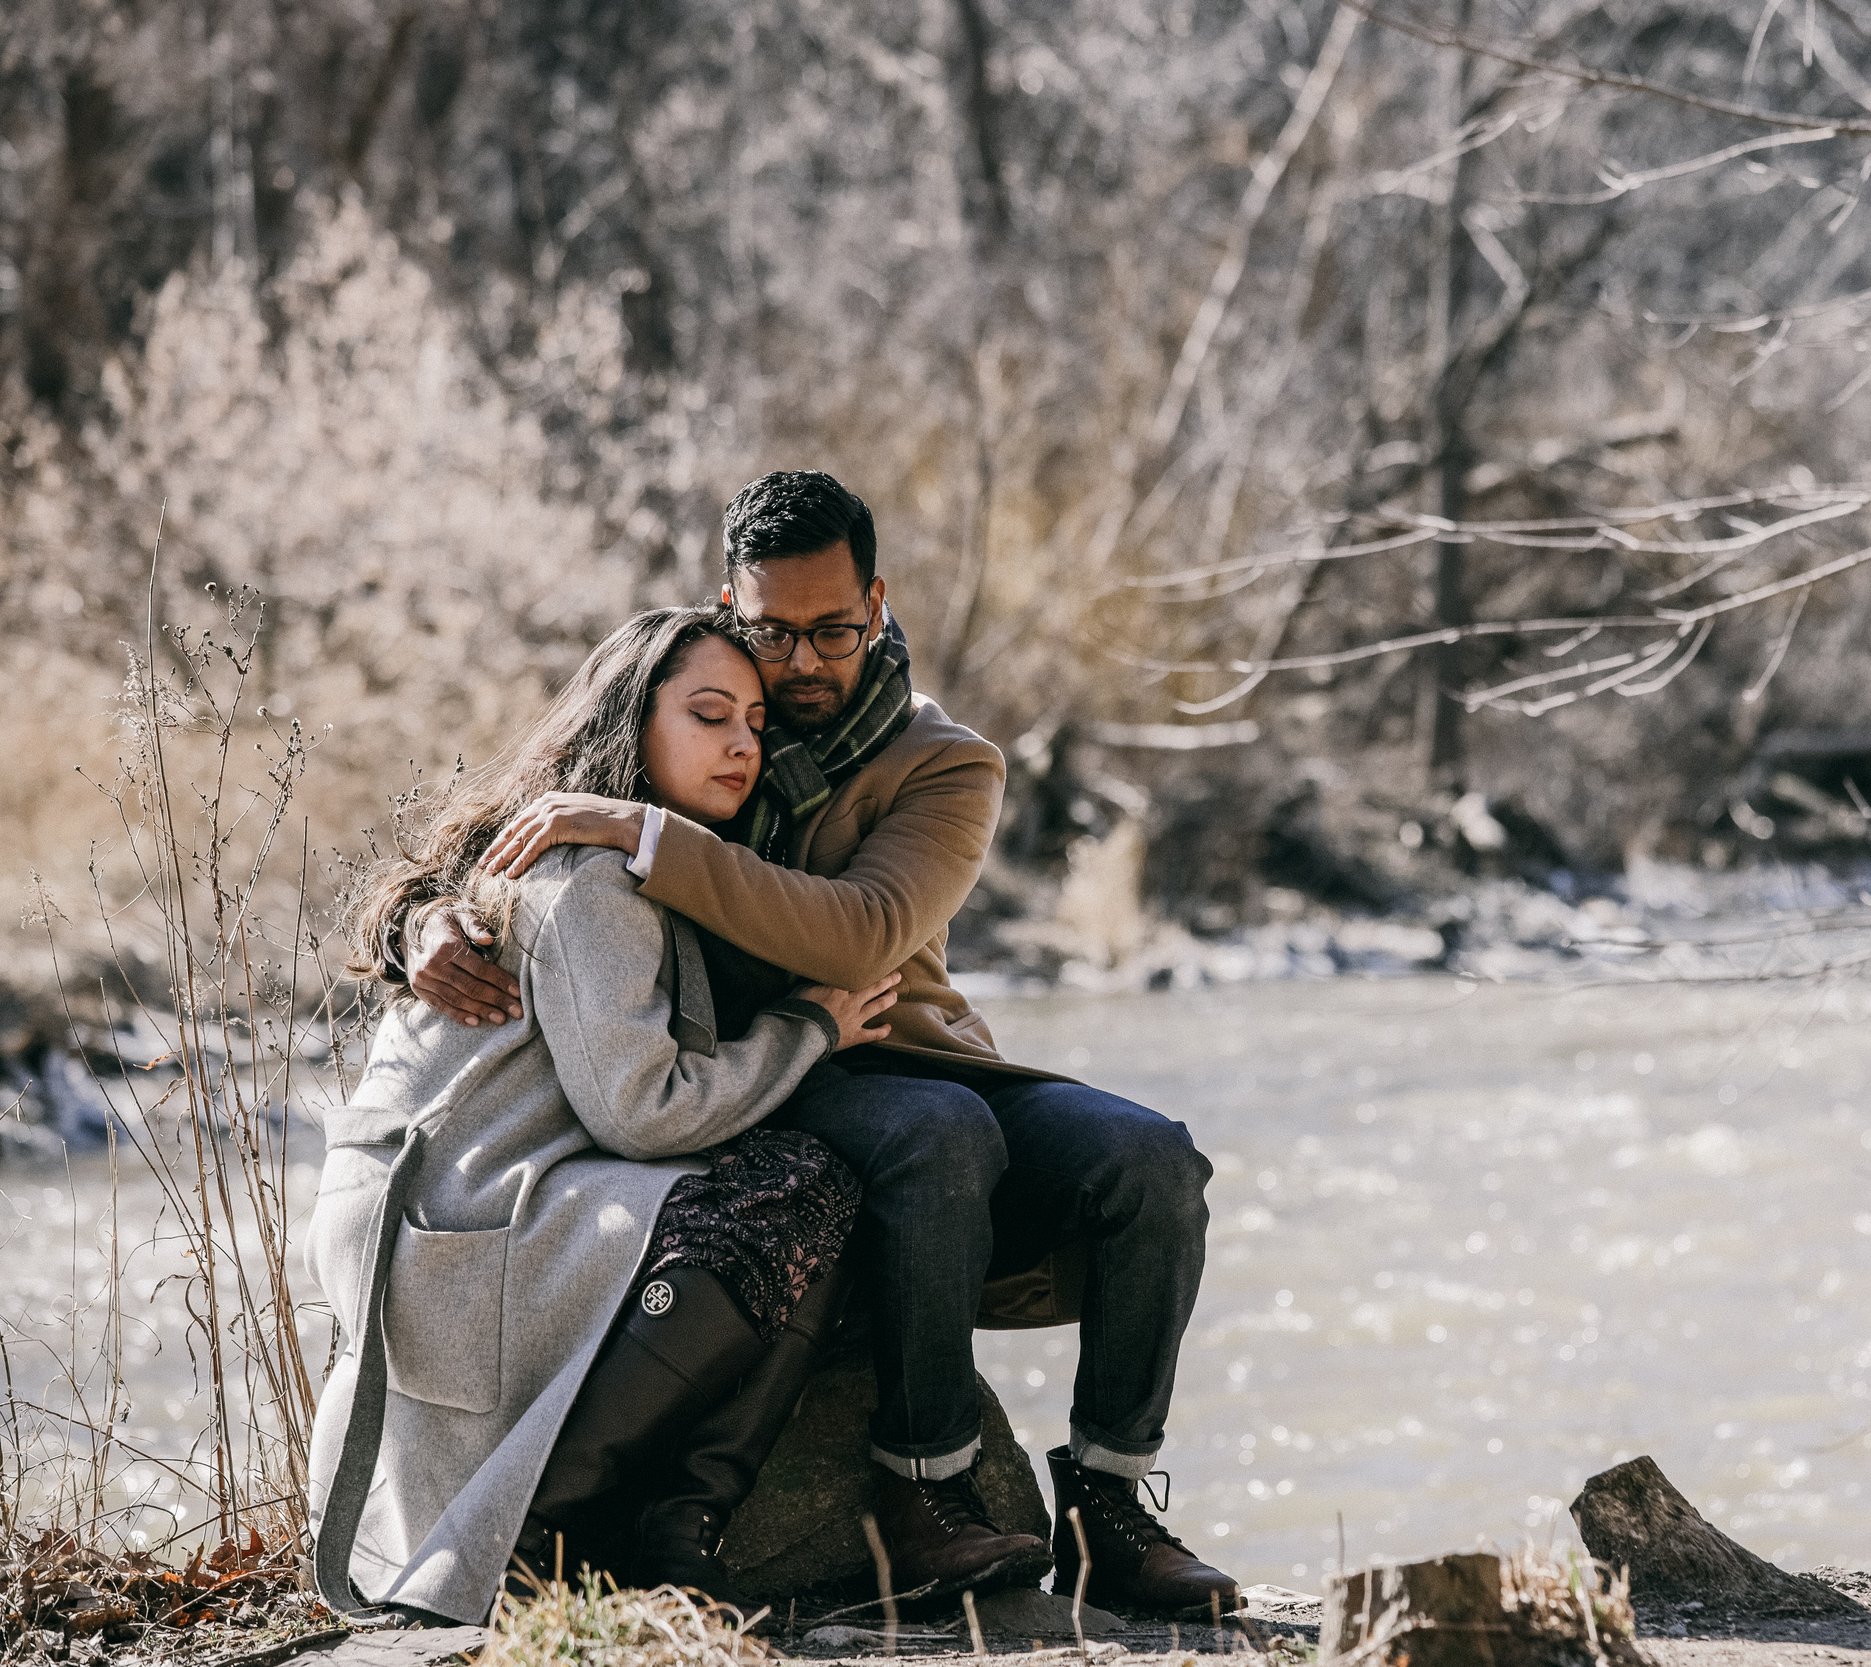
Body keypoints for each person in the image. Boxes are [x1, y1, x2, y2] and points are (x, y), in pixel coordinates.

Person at [409, 471, 1242, 1616]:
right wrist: (425, 922)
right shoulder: (690, 706)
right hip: (759, 1068)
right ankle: (925, 1488)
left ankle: (1107, 1506)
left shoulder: (947, 764)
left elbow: (862, 935)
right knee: (932, 1134)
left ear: (879, 603)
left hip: (913, 1051)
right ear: (729, 605)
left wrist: (652, 838)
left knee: (1154, 1160)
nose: (799, 664)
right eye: (773, 632)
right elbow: (505, 831)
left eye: (833, 631)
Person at [309, 608, 899, 1626]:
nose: (741, 745)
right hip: (449, 1217)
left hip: (461, 1198)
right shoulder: (589, 877)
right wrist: (811, 1026)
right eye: (709, 714)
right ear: (633, 719)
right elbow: (646, 1112)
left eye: (755, 724)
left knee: (797, 1186)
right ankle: (545, 1537)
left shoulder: (587, 850)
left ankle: (673, 1536)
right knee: (789, 1192)